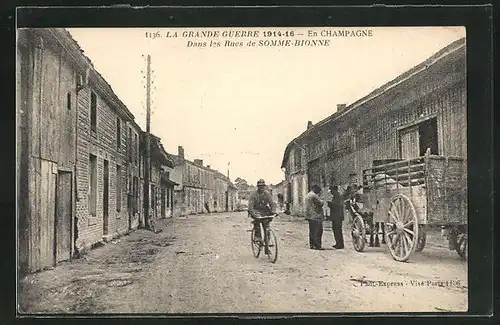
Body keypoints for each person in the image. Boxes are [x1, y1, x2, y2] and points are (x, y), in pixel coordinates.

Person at [248, 179, 276, 254]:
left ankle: (267, 247)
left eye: (263, 186)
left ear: (264, 186)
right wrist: (254, 214)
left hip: (264, 211)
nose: (261, 188)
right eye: (260, 186)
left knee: (267, 228)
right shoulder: (253, 194)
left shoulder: (267, 194)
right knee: (257, 222)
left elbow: (272, 203)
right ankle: (258, 237)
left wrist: (273, 211)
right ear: (258, 187)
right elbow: (250, 206)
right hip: (255, 210)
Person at [305, 185, 325, 250]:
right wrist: (322, 199)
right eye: (318, 190)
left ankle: (312, 244)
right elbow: (320, 203)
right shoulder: (314, 196)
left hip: (310, 215)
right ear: (314, 189)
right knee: (318, 231)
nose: (318, 192)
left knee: (312, 231)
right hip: (316, 215)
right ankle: (317, 245)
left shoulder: (308, 195)